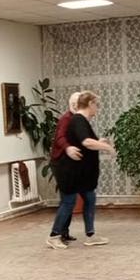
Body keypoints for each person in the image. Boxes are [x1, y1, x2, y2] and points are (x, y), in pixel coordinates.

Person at [48, 91, 114, 249]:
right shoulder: (77, 120)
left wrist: (99, 142)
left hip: (82, 172)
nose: (98, 108)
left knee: (90, 198)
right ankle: (54, 236)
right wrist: (107, 147)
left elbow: (84, 141)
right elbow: (86, 142)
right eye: (96, 105)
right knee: (68, 202)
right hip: (70, 171)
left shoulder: (82, 121)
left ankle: (90, 235)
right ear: (90, 104)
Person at [50, 92, 84, 242]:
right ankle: (55, 235)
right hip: (61, 164)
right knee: (68, 200)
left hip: (69, 165)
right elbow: (60, 137)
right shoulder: (66, 119)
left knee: (69, 200)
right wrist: (68, 148)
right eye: (79, 104)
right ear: (73, 105)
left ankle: (63, 232)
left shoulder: (76, 120)